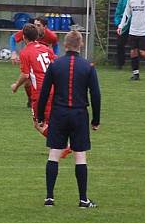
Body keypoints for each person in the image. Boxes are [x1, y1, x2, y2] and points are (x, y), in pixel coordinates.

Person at [37, 30, 101, 208]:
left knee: (54, 154)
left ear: (65, 45)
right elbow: (95, 95)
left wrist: (41, 116)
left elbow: (44, 93)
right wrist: (96, 120)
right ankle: (83, 200)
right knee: (80, 156)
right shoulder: (88, 67)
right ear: (80, 44)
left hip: (59, 114)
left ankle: (49, 198)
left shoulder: (55, 65)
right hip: (79, 114)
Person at [11, 23, 70, 158]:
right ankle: (63, 143)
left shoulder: (25, 52)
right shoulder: (46, 49)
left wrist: (16, 85)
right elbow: (57, 63)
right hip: (54, 89)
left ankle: (63, 145)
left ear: (24, 38)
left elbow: (25, 75)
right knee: (51, 120)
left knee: (39, 124)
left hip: (40, 93)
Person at [113, 0, 134, 69]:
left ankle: (135, 65)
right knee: (120, 44)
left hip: (135, 25)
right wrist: (118, 23)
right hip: (124, 25)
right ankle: (120, 63)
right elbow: (118, 10)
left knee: (135, 46)